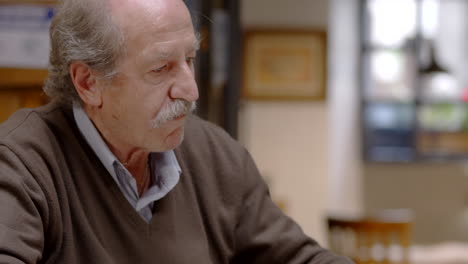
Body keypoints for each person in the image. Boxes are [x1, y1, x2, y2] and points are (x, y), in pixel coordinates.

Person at [0, 0, 352, 263]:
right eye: (161, 67)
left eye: (190, 60)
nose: (190, 89)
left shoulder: (215, 155)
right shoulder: (20, 165)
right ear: (88, 82)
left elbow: (299, 258)